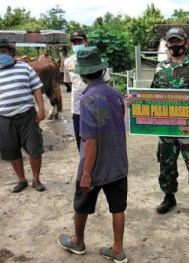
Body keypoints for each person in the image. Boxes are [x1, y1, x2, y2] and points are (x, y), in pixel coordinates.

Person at [58, 46, 128, 263]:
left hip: (95, 166)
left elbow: (90, 142)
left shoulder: (87, 99)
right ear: (101, 70)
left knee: (81, 204)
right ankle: (118, 249)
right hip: (117, 164)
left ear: (82, 74)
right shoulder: (116, 95)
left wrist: (86, 174)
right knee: (118, 207)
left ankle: (77, 241)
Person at [151, 27, 189, 221]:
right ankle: (169, 197)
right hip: (166, 128)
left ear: (186, 43)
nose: (175, 46)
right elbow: (151, 96)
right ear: (167, 44)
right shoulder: (160, 68)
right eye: (171, 42)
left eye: (178, 41)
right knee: (166, 164)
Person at [0, 38, 46, 193]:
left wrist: (41, 109)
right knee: (11, 150)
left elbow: (36, 89)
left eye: (4, 51)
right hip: (4, 118)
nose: (1, 54)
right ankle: (21, 180)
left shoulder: (25, 68)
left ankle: (36, 179)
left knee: (35, 149)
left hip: (27, 116)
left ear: (11, 52)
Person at [64, 31, 110, 151]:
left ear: (86, 42)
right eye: (74, 42)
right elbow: (69, 83)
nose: (77, 44)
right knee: (82, 142)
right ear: (71, 44)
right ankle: (85, 166)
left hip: (98, 108)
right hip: (78, 109)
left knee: (99, 141)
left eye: (79, 41)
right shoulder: (68, 62)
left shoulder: (98, 61)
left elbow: (106, 84)